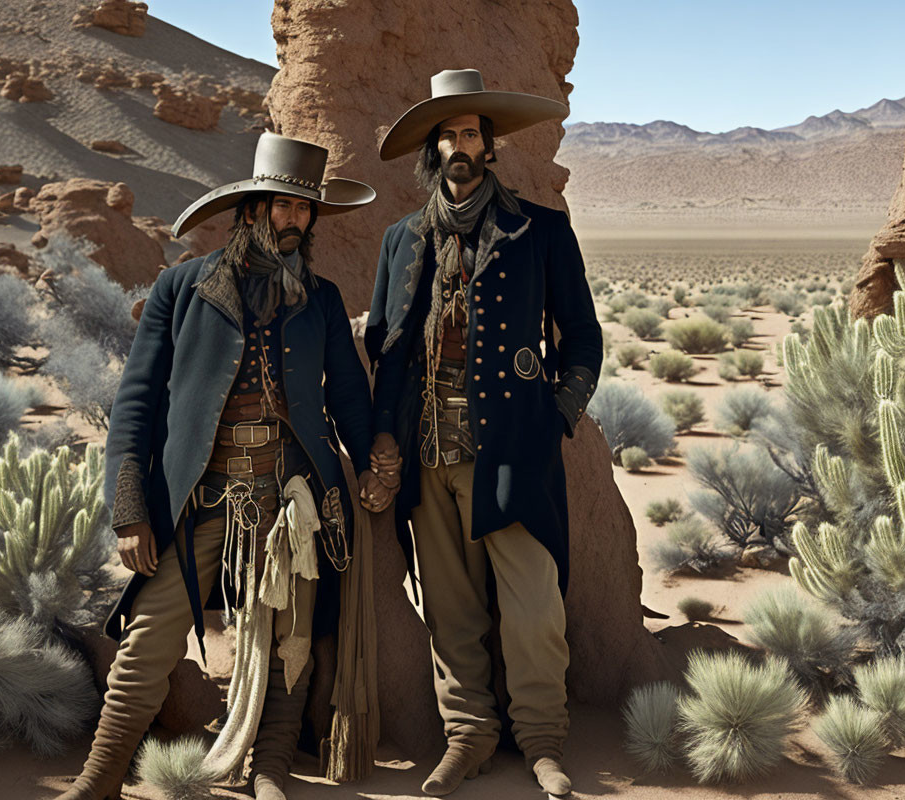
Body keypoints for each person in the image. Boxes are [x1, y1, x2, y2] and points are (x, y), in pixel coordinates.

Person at [59, 132, 387, 800]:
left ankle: (268, 767)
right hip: (198, 498)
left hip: (292, 497)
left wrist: (380, 458)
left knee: (290, 641)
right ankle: (100, 777)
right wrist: (128, 509)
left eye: (304, 212)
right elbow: (137, 404)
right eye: (282, 207)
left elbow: (349, 397)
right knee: (149, 640)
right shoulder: (182, 288)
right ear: (250, 209)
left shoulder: (319, 299)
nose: (294, 221)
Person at [364, 69, 602, 797]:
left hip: (513, 449)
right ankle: (467, 734)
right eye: (448, 134)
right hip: (429, 445)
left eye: (470, 133)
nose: (460, 145)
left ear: (488, 145)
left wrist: (556, 412)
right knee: (451, 607)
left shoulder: (540, 231)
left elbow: (584, 339)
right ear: (432, 151)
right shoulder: (402, 241)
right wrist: (385, 441)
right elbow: (386, 348)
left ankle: (542, 740)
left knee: (533, 603)